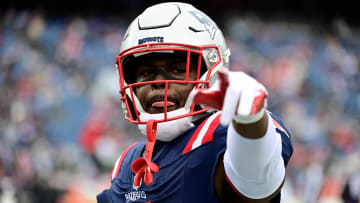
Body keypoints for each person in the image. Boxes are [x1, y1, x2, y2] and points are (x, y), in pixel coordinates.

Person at [97, 2, 293, 203]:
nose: (158, 84)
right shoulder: (129, 162)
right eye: (146, 73)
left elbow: (257, 183)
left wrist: (252, 123)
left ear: (212, 74)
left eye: (177, 70)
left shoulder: (221, 134)